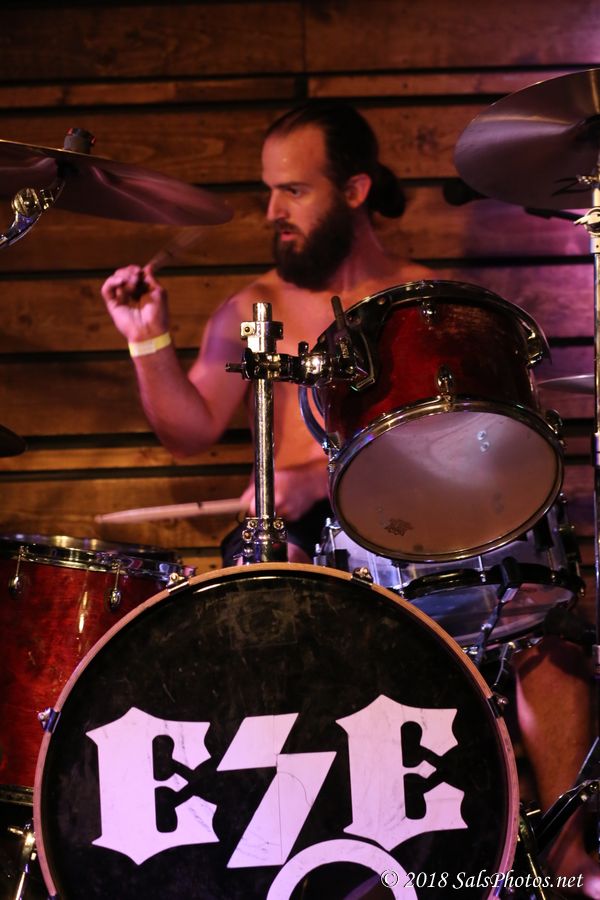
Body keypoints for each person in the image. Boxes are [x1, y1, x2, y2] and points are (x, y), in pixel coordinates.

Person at [101, 100, 599, 896]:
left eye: (293, 191)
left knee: (546, 630)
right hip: (312, 547)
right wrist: (145, 336)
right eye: (269, 191)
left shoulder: (428, 306)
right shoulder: (253, 308)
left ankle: (573, 863)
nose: (273, 211)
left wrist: (336, 474)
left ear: (356, 190)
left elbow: (471, 450)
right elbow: (187, 430)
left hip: (429, 533)